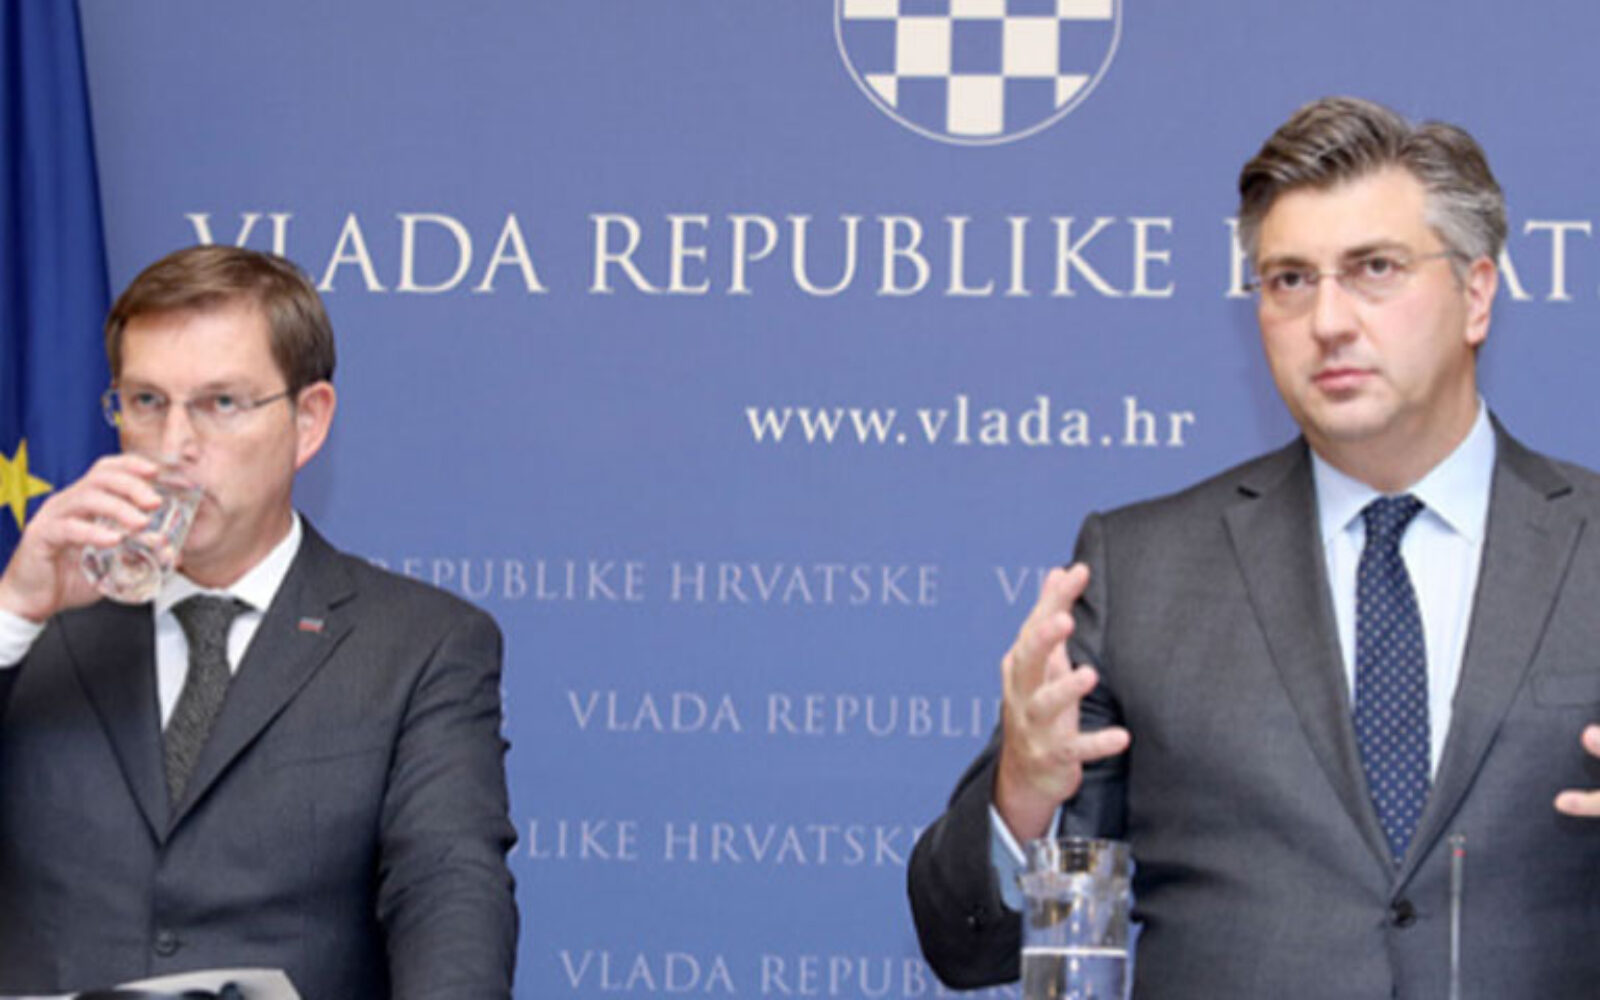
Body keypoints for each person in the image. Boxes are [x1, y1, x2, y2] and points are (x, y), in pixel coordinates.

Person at [907, 96, 1600, 998]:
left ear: (1475, 295)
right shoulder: (1141, 570)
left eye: (1375, 268)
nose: (1329, 321)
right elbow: (966, 947)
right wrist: (1023, 794)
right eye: (1290, 280)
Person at [0, 246, 518, 998]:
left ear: (308, 421)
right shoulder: (35, 621)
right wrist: (14, 612)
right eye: (146, 401)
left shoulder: (420, 647)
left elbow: (448, 896)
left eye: (220, 404)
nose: (174, 446)